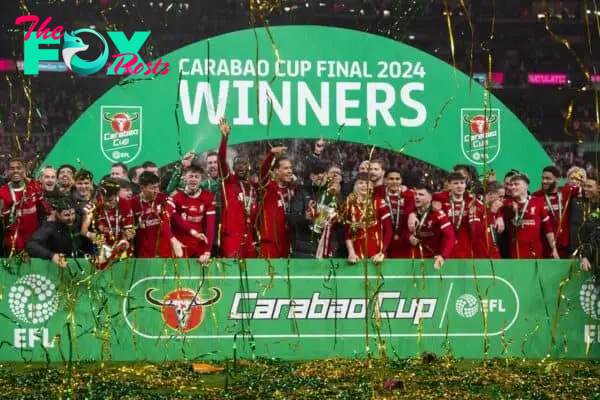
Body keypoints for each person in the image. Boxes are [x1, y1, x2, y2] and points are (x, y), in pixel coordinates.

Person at [216, 118, 259, 258]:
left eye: (244, 164)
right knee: (231, 273)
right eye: (238, 164)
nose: (241, 166)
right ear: (233, 167)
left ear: (249, 167)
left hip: (250, 238)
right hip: (231, 237)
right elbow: (221, 160)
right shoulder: (228, 181)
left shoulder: (252, 188)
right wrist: (224, 138)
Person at [80, 178, 135, 269]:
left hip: (122, 251)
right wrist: (92, 235)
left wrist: (125, 239)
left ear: (116, 195)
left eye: (110, 201)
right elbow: (83, 231)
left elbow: (130, 229)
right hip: (101, 250)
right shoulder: (92, 205)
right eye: (104, 200)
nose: (106, 203)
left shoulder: (125, 204)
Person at [167, 164, 216, 264]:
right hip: (181, 244)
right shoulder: (176, 196)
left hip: (199, 245)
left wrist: (207, 251)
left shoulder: (208, 197)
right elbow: (167, 217)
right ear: (185, 177)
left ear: (201, 179)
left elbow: (210, 227)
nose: (193, 180)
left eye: (197, 177)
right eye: (191, 176)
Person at [289, 162, 340, 258]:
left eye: (323, 172)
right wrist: (306, 217)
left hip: (328, 246)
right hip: (305, 248)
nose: (320, 175)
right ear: (310, 176)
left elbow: (342, 218)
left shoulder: (334, 193)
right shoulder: (301, 193)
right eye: (316, 173)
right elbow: (293, 219)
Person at [502, 174, 558, 259]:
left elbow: (548, 229)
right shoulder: (507, 203)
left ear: (526, 186)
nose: (512, 187)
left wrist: (554, 249)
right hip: (515, 255)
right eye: (511, 185)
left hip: (535, 253)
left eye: (516, 184)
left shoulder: (538, 202)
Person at [0, 158, 49, 254]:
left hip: (35, 242)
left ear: (25, 171)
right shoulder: (2, 192)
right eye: (12, 168)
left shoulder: (33, 188)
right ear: (7, 171)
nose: (15, 171)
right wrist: (20, 248)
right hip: (13, 245)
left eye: (19, 168)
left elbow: (46, 209)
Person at [341, 173, 391, 264]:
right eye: (361, 183)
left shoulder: (379, 202)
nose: (364, 186)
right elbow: (347, 233)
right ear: (355, 186)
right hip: (357, 255)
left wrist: (382, 252)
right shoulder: (349, 204)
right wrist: (351, 253)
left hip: (377, 255)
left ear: (371, 186)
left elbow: (388, 230)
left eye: (367, 183)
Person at [433, 172, 485, 258]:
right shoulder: (440, 198)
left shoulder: (472, 200)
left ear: (465, 185)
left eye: (462, 183)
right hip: (444, 248)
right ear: (449, 185)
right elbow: (425, 201)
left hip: (466, 250)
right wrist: (412, 213)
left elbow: (487, 210)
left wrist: (498, 216)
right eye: (456, 183)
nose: (459, 186)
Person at [132, 171, 183, 258]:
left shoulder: (164, 199)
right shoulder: (133, 203)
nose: (156, 191)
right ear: (142, 188)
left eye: (157, 187)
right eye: (152, 188)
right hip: (144, 253)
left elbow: (176, 218)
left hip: (164, 252)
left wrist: (192, 232)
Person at [532, 166, 579, 258]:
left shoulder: (567, 191)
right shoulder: (536, 196)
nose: (544, 181)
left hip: (564, 245)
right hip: (544, 244)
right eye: (543, 178)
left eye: (548, 178)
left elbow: (587, 189)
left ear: (557, 179)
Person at [406, 184, 455, 268]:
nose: (416, 197)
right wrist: (408, 236)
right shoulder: (411, 214)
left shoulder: (437, 214)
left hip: (432, 259)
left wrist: (443, 256)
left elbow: (450, 236)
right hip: (412, 258)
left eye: (421, 195)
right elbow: (401, 231)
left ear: (430, 198)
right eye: (415, 194)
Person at [26, 197, 85, 267]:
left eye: (73, 214)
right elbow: (31, 244)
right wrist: (51, 256)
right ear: (58, 214)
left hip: (78, 262)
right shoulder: (50, 227)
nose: (71, 218)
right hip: (57, 265)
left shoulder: (77, 220)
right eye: (66, 215)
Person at [259, 145, 295, 258]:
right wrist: (271, 154)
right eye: (286, 168)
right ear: (275, 171)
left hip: (287, 243)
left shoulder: (292, 189)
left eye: (290, 168)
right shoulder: (268, 187)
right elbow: (263, 171)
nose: (290, 171)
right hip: (270, 244)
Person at [383, 168, 416, 258]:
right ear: (385, 180)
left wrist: (412, 214)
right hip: (383, 241)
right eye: (391, 179)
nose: (394, 181)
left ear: (401, 180)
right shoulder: (379, 194)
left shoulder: (409, 195)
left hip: (404, 241)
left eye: (397, 179)